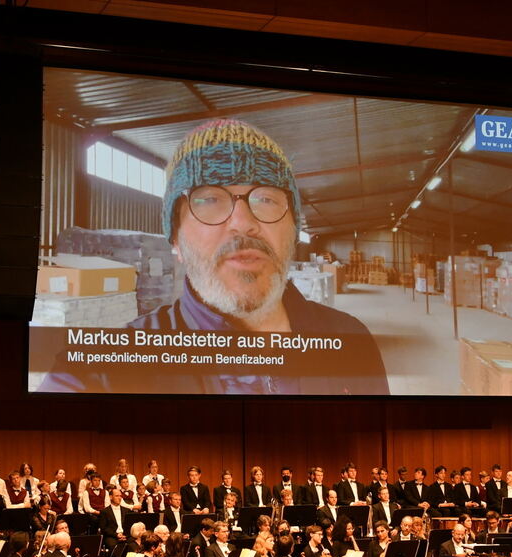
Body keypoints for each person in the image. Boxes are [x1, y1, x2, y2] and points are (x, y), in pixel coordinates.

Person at [38, 119, 388, 395]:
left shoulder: (350, 340)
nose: (242, 223)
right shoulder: (101, 370)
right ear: (175, 237)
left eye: (265, 198)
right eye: (208, 200)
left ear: (294, 229)